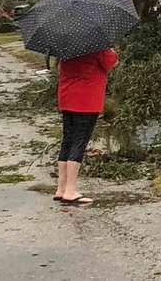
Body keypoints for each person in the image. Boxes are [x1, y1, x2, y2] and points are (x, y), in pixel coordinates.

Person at [54, 47, 118, 205]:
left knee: (68, 140)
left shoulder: (65, 47)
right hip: (87, 100)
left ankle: (61, 188)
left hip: (67, 97)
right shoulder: (97, 47)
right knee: (79, 141)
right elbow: (112, 62)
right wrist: (110, 48)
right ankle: (71, 190)